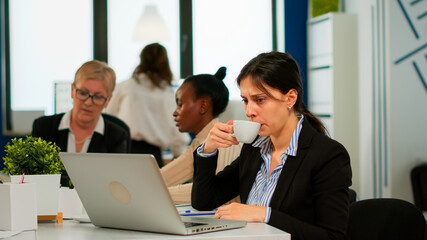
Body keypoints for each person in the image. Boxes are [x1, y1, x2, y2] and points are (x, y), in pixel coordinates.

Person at [191, 52, 352, 239]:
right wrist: (208, 149)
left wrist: (264, 214)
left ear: (290, 98)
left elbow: (333, 236)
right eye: (245, 100)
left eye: (260, 100)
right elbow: (204, 201)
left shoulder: (328, 155)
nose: (249, 111)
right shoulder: (255, 147)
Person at [32, 60, 129, 186]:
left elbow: (114, 184)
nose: (88, 102)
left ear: (108, 100)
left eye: (98, 97)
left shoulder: (116, 136)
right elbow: (36, 180)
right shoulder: (43, 127)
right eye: (83, 93)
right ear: (72, 90)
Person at [160, 67, 242, 204]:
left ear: (203, 106)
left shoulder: (223, 141)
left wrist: (151, 193)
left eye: (180, 104)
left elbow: (212, 191)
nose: (175, 112)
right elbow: (162, 178)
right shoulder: (199, 143)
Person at [105, 43, 189, 168]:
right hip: (152, 157)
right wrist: (180, 155)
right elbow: (177, 132)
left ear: (142, 59)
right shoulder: (168, 95)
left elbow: (108, 118)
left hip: (123, 151)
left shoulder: (126, 87)